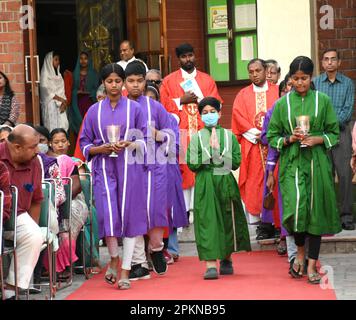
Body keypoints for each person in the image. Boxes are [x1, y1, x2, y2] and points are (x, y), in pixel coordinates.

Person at [267, 56, 341, 284]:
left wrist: (317, 139)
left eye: (305, 78)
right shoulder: (281, 105)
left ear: (311, 78)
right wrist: (290, 138)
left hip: (317, 163)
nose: (300, 83)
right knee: (295, 211)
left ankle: (311, 264)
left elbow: (334, 133)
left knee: (315, 212)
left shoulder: (323, 101)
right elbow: (272, 137)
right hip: (292, 164)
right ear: (289, 79)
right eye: (296, 79)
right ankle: (299, 252)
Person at [80, 63, 148, 290]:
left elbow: (145, 139)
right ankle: (114, 258)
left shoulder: (135, 109)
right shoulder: (93, 111)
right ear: (103, 83)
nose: (114, 85)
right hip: (104, 168)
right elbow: (84, 144)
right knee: (109, 217)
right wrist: (102, 149)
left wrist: (129, 143)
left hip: (130, 169)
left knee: (129, 217)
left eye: (118, 81)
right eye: (109, 81)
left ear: (124, 82)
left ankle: (126, 270)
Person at [186, 97, 251, 280]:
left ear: (220, 113)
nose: (209, 116)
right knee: (208, 220)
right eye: (205, 113)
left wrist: (219, 154)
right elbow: (191, 163)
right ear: (200, 116)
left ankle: (226, 258)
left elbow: (236, 162)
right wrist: (209, 153)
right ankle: (210, 264)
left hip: (225, 179)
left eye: (212, 112)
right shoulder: (196, 137)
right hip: (206, 181)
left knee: (226, 217)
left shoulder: (229, 136)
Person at [160, 43, 223, 224]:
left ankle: (201, 209)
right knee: (183, 171)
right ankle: (185, 211)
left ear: (194, 56)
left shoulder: (206, 79)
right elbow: (162, 106)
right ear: (178, 59)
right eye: (184, 57)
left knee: (203, 168)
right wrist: (182, 100)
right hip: (181, 133)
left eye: (190, 55)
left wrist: (201, 98)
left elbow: (215, 103)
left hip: (203, 131)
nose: (188, 59)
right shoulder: (169, 81)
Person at [124, 60, 172, 278]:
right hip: (127, 168)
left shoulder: (155, 107)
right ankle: (138, 262)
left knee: (155, 210)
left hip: (154, 166)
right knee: (133, 212)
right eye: (131, 81)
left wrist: (159, 136)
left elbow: (172, 134)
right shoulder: (118, 106)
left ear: (145, 82)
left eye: (140, 81)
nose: (135, 85)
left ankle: (156, 249)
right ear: (124, 83)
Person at [231, 58, 279, 225]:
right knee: (253, 181)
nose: (255, 75)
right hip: (252, 146)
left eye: (258, 71)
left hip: (274, 146)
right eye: (251, 72)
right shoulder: (242, 94)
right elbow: (238, 117)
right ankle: (257, 221)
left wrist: (267, 134)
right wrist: (256, 133)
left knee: (276, 179)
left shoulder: (277, 91)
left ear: (266, 71)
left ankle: (275, 222)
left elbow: (282, 114)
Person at [313, 49, 355, 231]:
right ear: (322, 63)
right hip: (321, 135)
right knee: (325, 175)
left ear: (339, 62)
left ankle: (346, 215)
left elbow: (347, 110)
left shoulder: (348, 83)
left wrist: (330, 123)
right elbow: (314, 108)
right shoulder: (315, 83)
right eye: (326, 60)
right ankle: (328, 216)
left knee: (345, 174)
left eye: (333, 59)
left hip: (341, 133)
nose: (329, 62)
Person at [0, 124, 43, 299]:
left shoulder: (35, 163)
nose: (38, 150)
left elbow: (36, 200)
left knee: (34, 235)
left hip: (18, 214)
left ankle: (12, 289)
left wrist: (34, 226)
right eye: (33, 146)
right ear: (17, 147)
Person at [48, 128, 89, 280]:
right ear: (50, 144)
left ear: (69, 142)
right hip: (53, 201)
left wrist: (60, 199)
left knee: (68, 215)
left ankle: (65, 265)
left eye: (63, 141)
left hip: (72, 200)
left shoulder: (71, 162)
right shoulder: (45, 161)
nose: (60, 145)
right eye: (56, 142)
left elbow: (76, 187)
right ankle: (51, 265)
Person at [69, 52, 99, 135]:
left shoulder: (94, 74)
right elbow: (70, 89)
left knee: (90, 124)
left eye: (85, 58)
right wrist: (76, 92)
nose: (83, 61)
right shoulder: (74, 74)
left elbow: (97, 89)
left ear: (88, 60)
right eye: (81, 58)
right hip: (77, 103)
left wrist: (91, 92)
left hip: (89, 102)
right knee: (79, 124)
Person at [40, 51, 69, 132]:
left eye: (58, 60)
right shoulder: (45, 76)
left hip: (61, 105)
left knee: (63, 127)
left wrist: (64, 102)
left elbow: (62, 91)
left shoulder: (59, 75)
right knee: (53, 129)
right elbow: (46, 91)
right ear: (50, 61)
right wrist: (62, 100)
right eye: (56, 59)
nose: (58, 62)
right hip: (51, 106)